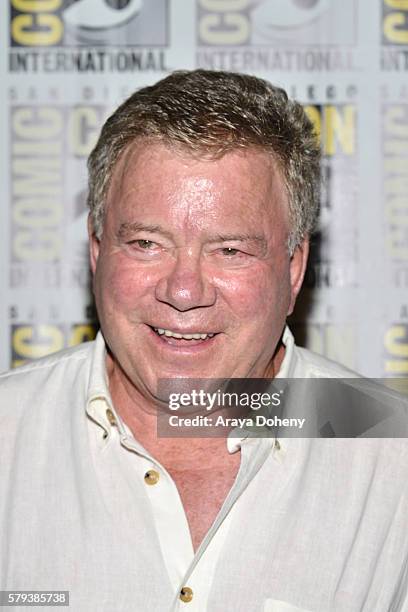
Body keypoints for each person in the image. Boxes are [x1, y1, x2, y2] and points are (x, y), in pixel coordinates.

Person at [0, 70, 407, 612]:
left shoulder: (391, 453)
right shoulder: (10, 430)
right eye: (147, 242)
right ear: (97, 252)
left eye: (230, 250)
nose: (184, 291)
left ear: (293, 269)